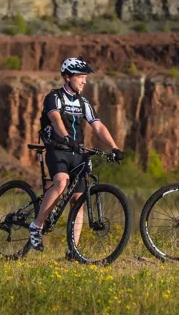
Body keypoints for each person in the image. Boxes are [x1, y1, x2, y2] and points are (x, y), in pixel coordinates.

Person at [29, 56, 125, 256]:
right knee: (61, 182)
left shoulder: (84, 102)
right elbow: (55, 119)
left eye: (85, 77)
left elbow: (97, 126)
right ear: (67, 77)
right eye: (81, 77)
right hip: (57, 149)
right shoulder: (53, 97)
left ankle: (73, 251)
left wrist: (115, 147)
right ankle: (36, 226)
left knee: (78, 200)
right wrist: (65, 138)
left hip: (77, 152)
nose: (84, 81)